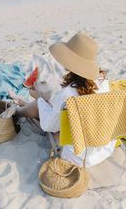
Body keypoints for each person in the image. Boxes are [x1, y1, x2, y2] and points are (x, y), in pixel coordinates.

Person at [9, 33, 116, 167]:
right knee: (49, 106)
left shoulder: (68, 93)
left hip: (78, 156)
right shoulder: (102, 80)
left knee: (41, 105)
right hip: (103, 148)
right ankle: (22, 104)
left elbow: (48, 126)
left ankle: (18, 110)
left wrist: (40, 99)